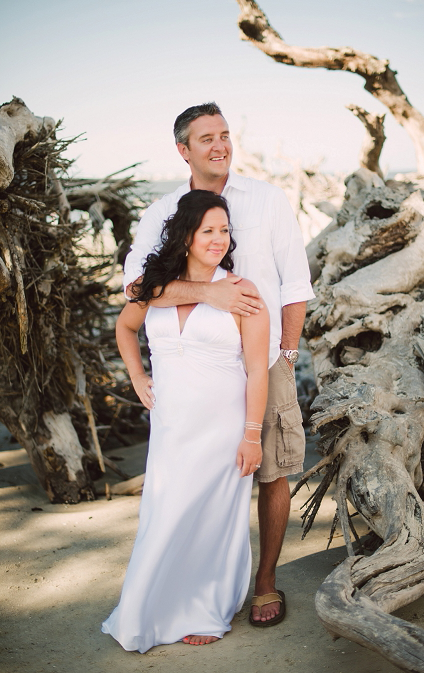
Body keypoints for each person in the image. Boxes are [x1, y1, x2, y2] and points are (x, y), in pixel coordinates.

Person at [122, 102, 316, 627]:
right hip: (194, 368)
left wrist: (288, 356)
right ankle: (190, 586)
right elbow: (138, 290)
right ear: (183, 149)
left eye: (225, 134)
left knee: (271, 468)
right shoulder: (163, 210)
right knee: (193, 479)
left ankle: (266, 581)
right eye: (206, 137)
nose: (219, 145)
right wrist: (210, 294)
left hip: (267, 359)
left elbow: (295, 286)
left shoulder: (268, 200)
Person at [102, 190, 270, 650]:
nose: (220, 239)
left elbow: (258, 369)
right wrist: (137, 375)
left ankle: (203, 606)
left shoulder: (242, 291)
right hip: (171, 425)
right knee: (165, 513)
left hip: (223, 425)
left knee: (212, 517)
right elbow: (124, 327)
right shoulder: (157, 286)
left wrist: (251, 435)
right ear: (186, 236)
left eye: (225, 230)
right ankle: (152, 605)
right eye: (208, 231)